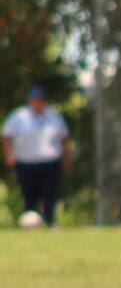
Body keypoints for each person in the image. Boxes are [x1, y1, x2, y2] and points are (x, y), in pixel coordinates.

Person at [2, 86, 72, 227]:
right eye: (35, 99)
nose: (38, 102)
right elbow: (7, 136)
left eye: (40, 100)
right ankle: (30, 221)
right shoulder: (19, 116)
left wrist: (67, 155)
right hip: (26, 162)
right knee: (29, 194)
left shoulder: (53, 116)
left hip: (50, 161)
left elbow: (64, 137)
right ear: (30, 100)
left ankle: (50, 221)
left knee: (50, 193)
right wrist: (9, 154)